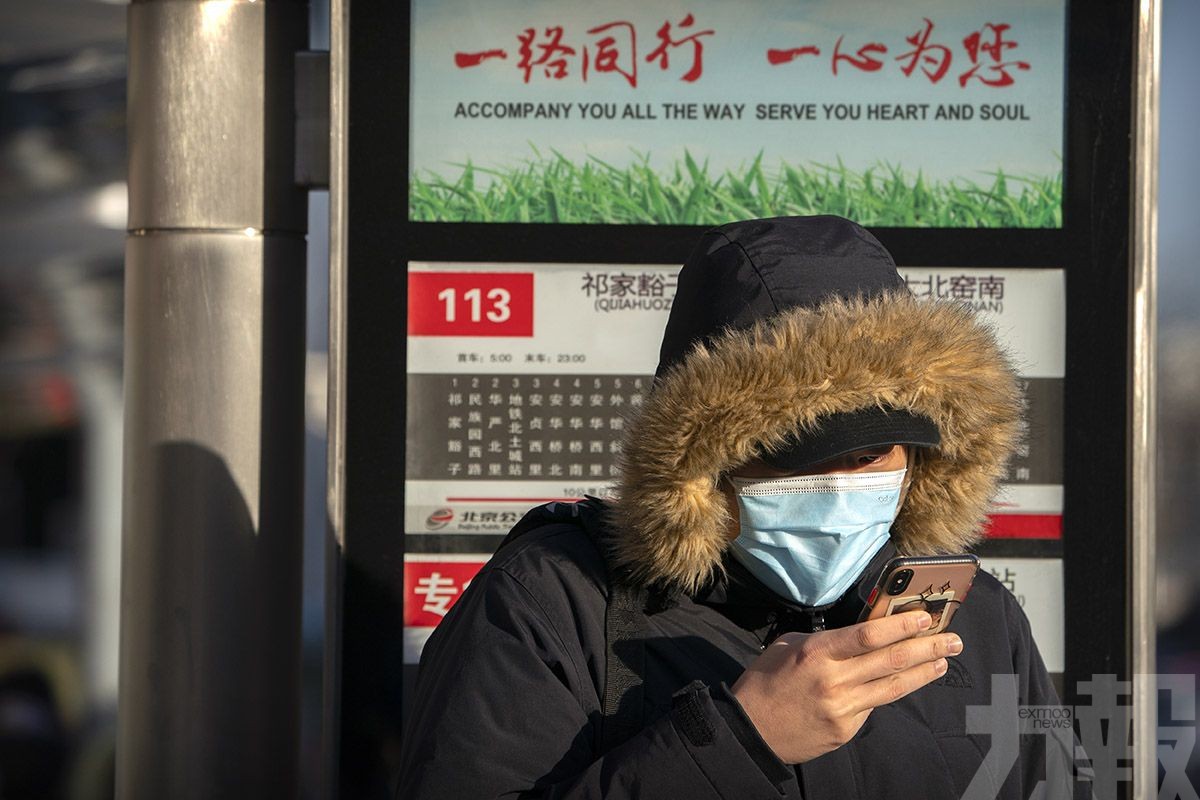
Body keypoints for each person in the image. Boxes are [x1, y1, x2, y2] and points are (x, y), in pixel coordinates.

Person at [397, 216, 1076, 798]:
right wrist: (735, 743)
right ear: (702, 463)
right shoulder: (552, 601)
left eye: (870, 456)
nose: (838, 486)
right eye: (793, 452)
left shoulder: (978, 616)